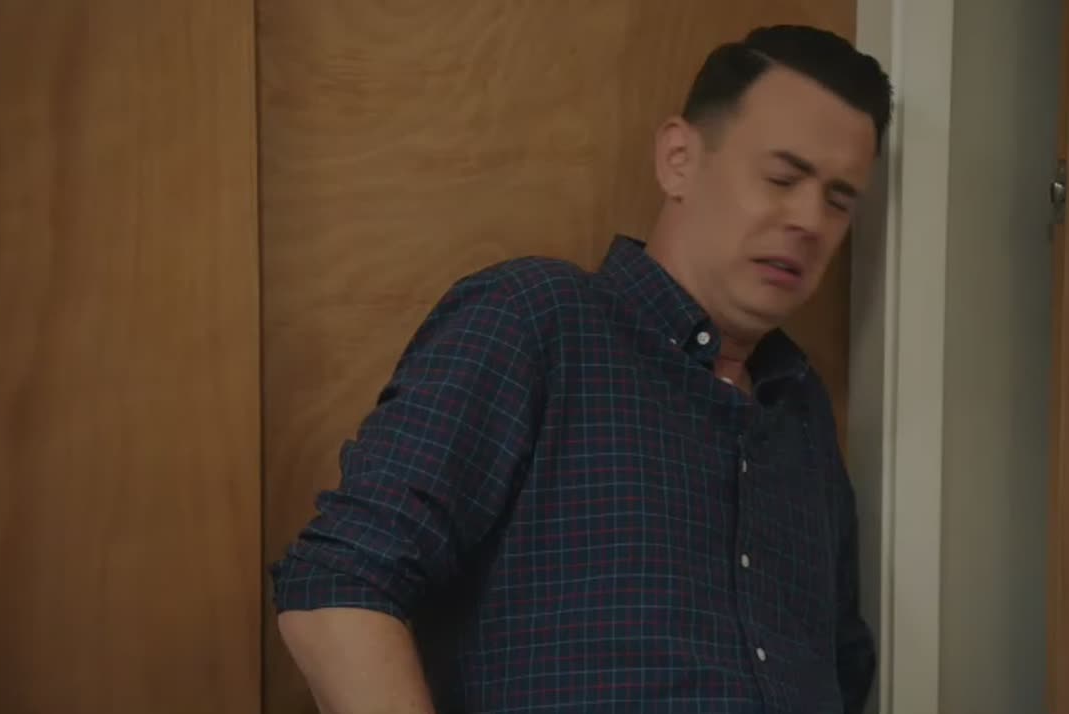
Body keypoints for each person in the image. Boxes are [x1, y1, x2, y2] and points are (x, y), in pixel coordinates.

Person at [271, 23, 892, 714]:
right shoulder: (538, 323)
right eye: (782, 178)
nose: (809, 220)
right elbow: (339, 584)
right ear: (679, 159)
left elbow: (842, 666)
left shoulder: (801, 411)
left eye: (839, 201)